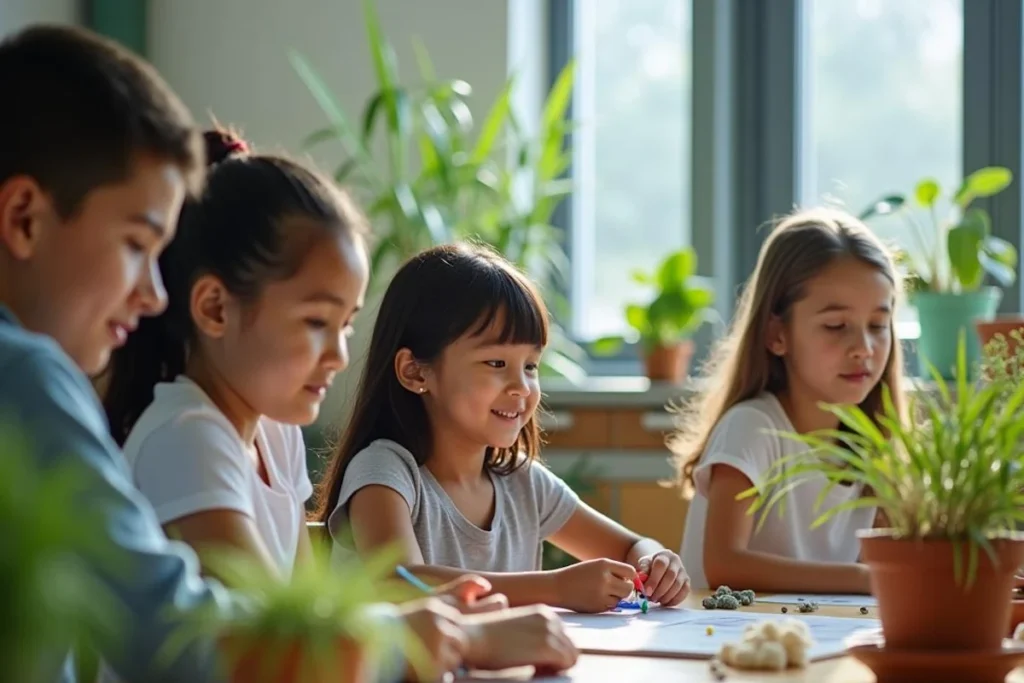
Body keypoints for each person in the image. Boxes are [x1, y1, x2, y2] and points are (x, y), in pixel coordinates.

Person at [0, 25, 574, 683]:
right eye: (136, 244)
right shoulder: (31, 378)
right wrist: (433, 640)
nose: (153, 293)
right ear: (24, 219)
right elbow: (190, 642)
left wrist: (419, 623)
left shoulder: (271, 429)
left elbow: (295, 611)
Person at [318, 243, 691, 613]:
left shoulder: (522, 481)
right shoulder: (383, 471)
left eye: (530, 366)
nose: (522, 388)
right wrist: (554, 587)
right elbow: (401, 583)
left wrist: (655, 562)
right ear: (415, 372)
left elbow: (630, 547)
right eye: (496, 362)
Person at [670, 207, 905, 593]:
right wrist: (867, 579)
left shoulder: (870, 446)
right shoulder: (753, 426)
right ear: (776, 334)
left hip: (812, 639)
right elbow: (724, 564)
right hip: (727, 641)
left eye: (878, 326)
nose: (864, 348)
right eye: (836, 326)